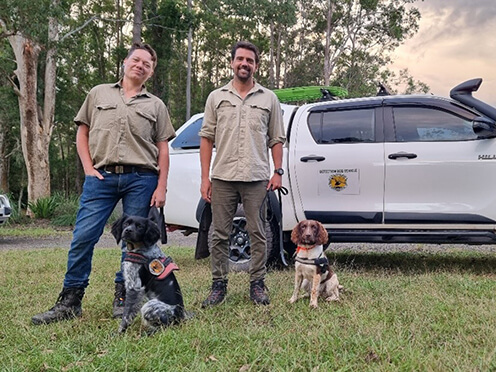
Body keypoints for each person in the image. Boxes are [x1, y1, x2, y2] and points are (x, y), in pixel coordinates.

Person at [32, 43, 176, 325]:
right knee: (84, 236)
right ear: (125, 62)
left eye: (147, 64)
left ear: (151, 72)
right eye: (136, 60)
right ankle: (70, 300)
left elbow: (163, 149)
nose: (141, 66)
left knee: (133, 244)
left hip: (141, 178)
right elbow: (82, 133)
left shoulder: (155, 105)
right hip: (101, 177)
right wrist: (88, 169)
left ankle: (124, 295)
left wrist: (161, 186)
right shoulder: (98, 93)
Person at [199, 41, 286, 307]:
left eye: (249, 60)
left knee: (257, 232)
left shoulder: (268, 98)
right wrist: (205, 178)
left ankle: (257, 285)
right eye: (240, 59)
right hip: (223, 176)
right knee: (219, 234)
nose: (244, 64)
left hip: (256, 177)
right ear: (232, 63)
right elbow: (206, 138)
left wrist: (278, 171)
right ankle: (218, 286)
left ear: (256, 66)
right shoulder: (216, 97)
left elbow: (276, 138)